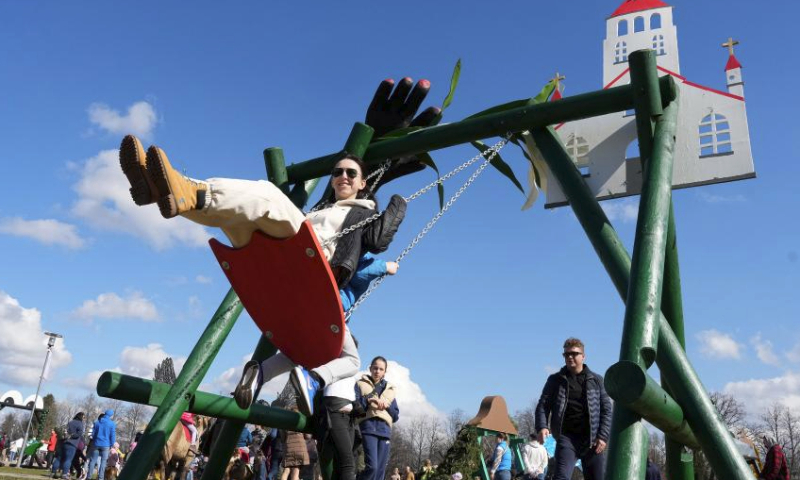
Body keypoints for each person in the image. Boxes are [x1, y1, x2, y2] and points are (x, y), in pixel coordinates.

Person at [118, 77, 439, 416]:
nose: (342, 177)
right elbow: (335, 196)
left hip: (309, 262)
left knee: (269, 196)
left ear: (362, 183)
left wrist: (396, 209)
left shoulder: (363, 213)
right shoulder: (323, 208)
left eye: (351, 173)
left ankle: (188, 191)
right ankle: (163, 190)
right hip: (276, 269)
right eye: (337, 172)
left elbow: (376, 242)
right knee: (237, 217)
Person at [535, 338, 611, 480]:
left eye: (574, 353)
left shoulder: (597, 380)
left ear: (583, 356)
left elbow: (607, 410)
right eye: (566, 354)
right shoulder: (555, 380)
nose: (570, 357)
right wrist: (542, 426)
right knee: (561, 477)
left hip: (593, 440)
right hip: (567, 438)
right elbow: (543, 405)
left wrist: (603, 436)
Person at [356, 356, 399, 480]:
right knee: (372, 467)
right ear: (370, 368)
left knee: (380, 471)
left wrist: (387, 406)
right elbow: (356, 408)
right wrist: (368, 400)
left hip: (385, 431)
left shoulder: (390, 390)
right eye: (375, 368)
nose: (377, 371)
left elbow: (395, 415)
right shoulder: (360, 384)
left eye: (381, 369)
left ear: (385, 372)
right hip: (368, 428)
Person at [87, 410, 116, 480]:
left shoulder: (97, 422)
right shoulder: (112, 424)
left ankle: (88, 477)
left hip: (96, 443)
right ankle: (100, 478)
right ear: (111, 415)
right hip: (106, 445)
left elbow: (93, 434)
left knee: (92, 461)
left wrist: (94, 440)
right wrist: (112, 444)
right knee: (103, 462)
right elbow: (112, 435)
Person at [56, 412, 84, 480]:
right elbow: (79, 434)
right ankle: (65, 474)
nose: (84, 418)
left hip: (65, 442)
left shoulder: (70, 422)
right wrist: (72, 435)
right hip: (72, 443)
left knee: (59, 458)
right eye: (83, 417)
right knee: (68, 459)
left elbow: (65, 430)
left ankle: (54, 472)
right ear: (81, 417)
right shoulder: (80, 424)